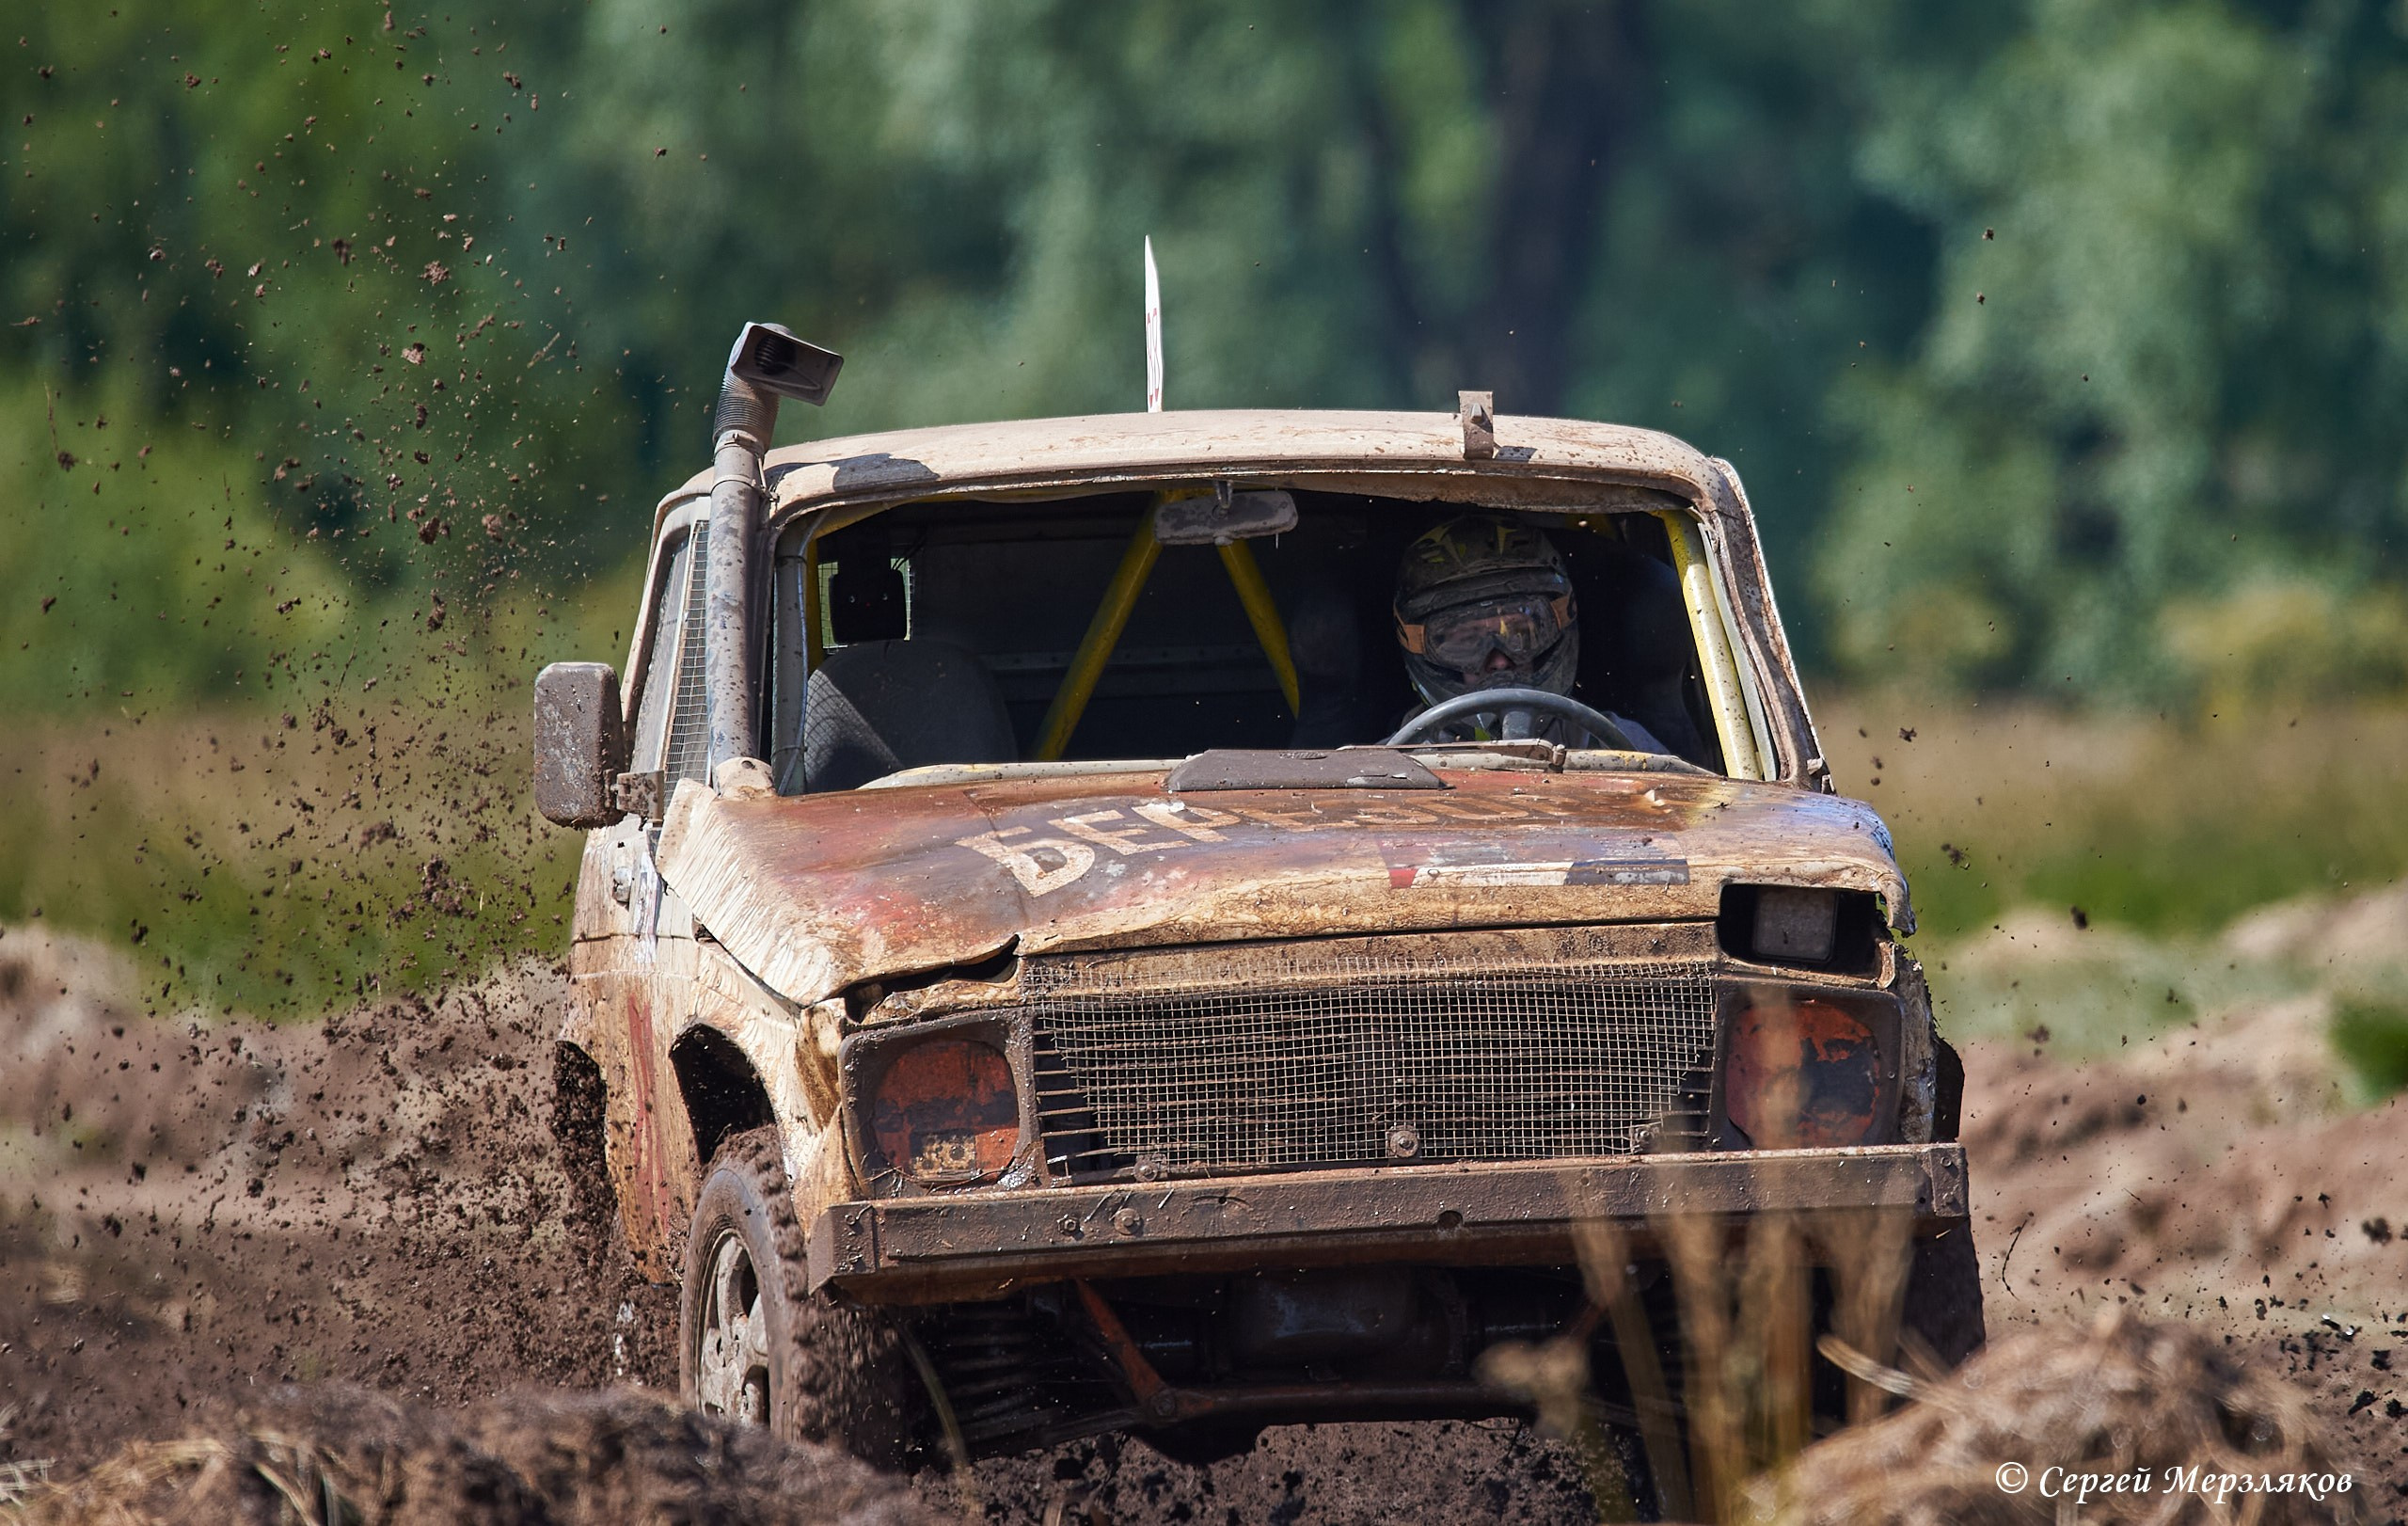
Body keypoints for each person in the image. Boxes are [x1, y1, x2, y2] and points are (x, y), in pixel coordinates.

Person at [1389, 515, 1670, 751]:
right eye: (1468, 640)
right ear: (1420, 647)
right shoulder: (1380, 769)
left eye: (1520, 631)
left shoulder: (1623, 748)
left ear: (1559, 623)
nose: (1499, 660)